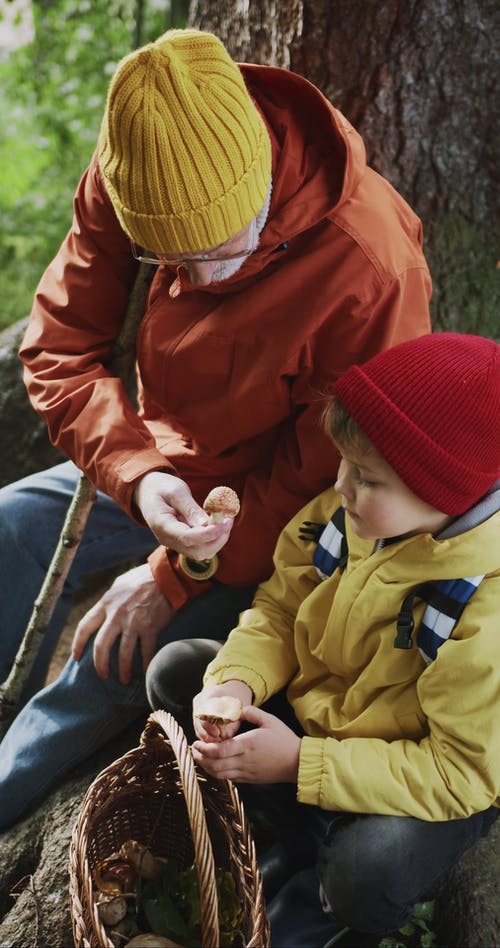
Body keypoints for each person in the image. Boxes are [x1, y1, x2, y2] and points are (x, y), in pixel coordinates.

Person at [0, 27, 431, 830]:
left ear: (260, 186)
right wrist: (138, 472)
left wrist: (175, 576)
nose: (196, 279)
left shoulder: (367, 268)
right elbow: (58, 347)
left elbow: (327, 481)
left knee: (109, 660)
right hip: (157, 458)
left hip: (266, 514)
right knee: (11, 525)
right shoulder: (136, 174)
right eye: (168, 259)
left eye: (217, 252)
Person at [147, 332, 500, 947]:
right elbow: (282, 609)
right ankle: (293, 836)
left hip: (418, 767)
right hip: (321, 719)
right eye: (344, 463)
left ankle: (333, 903)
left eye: (367, 477)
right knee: (181, 670)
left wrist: (300, 763)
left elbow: (458, 770)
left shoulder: (482, 603)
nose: (340, 485)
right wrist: (238, 681)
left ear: (445, 491)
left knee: (373, 866)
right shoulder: (354, 514)